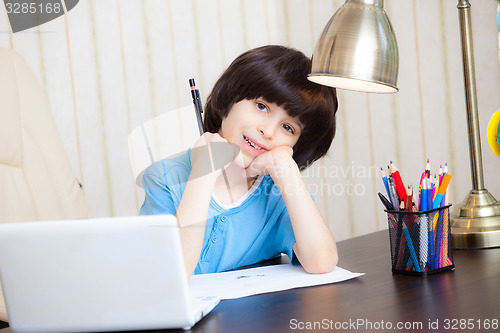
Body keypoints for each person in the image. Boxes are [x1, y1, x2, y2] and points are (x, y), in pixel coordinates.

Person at [140, 45, 339, 278]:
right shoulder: (163, 178)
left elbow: (322, 262)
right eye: (261, 106)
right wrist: (203, 175)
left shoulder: (278, 192)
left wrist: (288, 173)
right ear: (228, 101)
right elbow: (171, 273)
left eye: (288, 127)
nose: (267, 130)